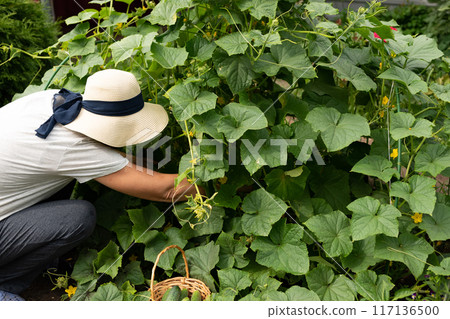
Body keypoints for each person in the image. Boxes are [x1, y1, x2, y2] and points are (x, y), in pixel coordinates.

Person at [0, 69, 199, 301]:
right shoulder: (73, 148)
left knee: (58, 180)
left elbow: (116, 161)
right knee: (78, 218)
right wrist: (220, 185)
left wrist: (165, 164)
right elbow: (167, 190)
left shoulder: (58, 101)